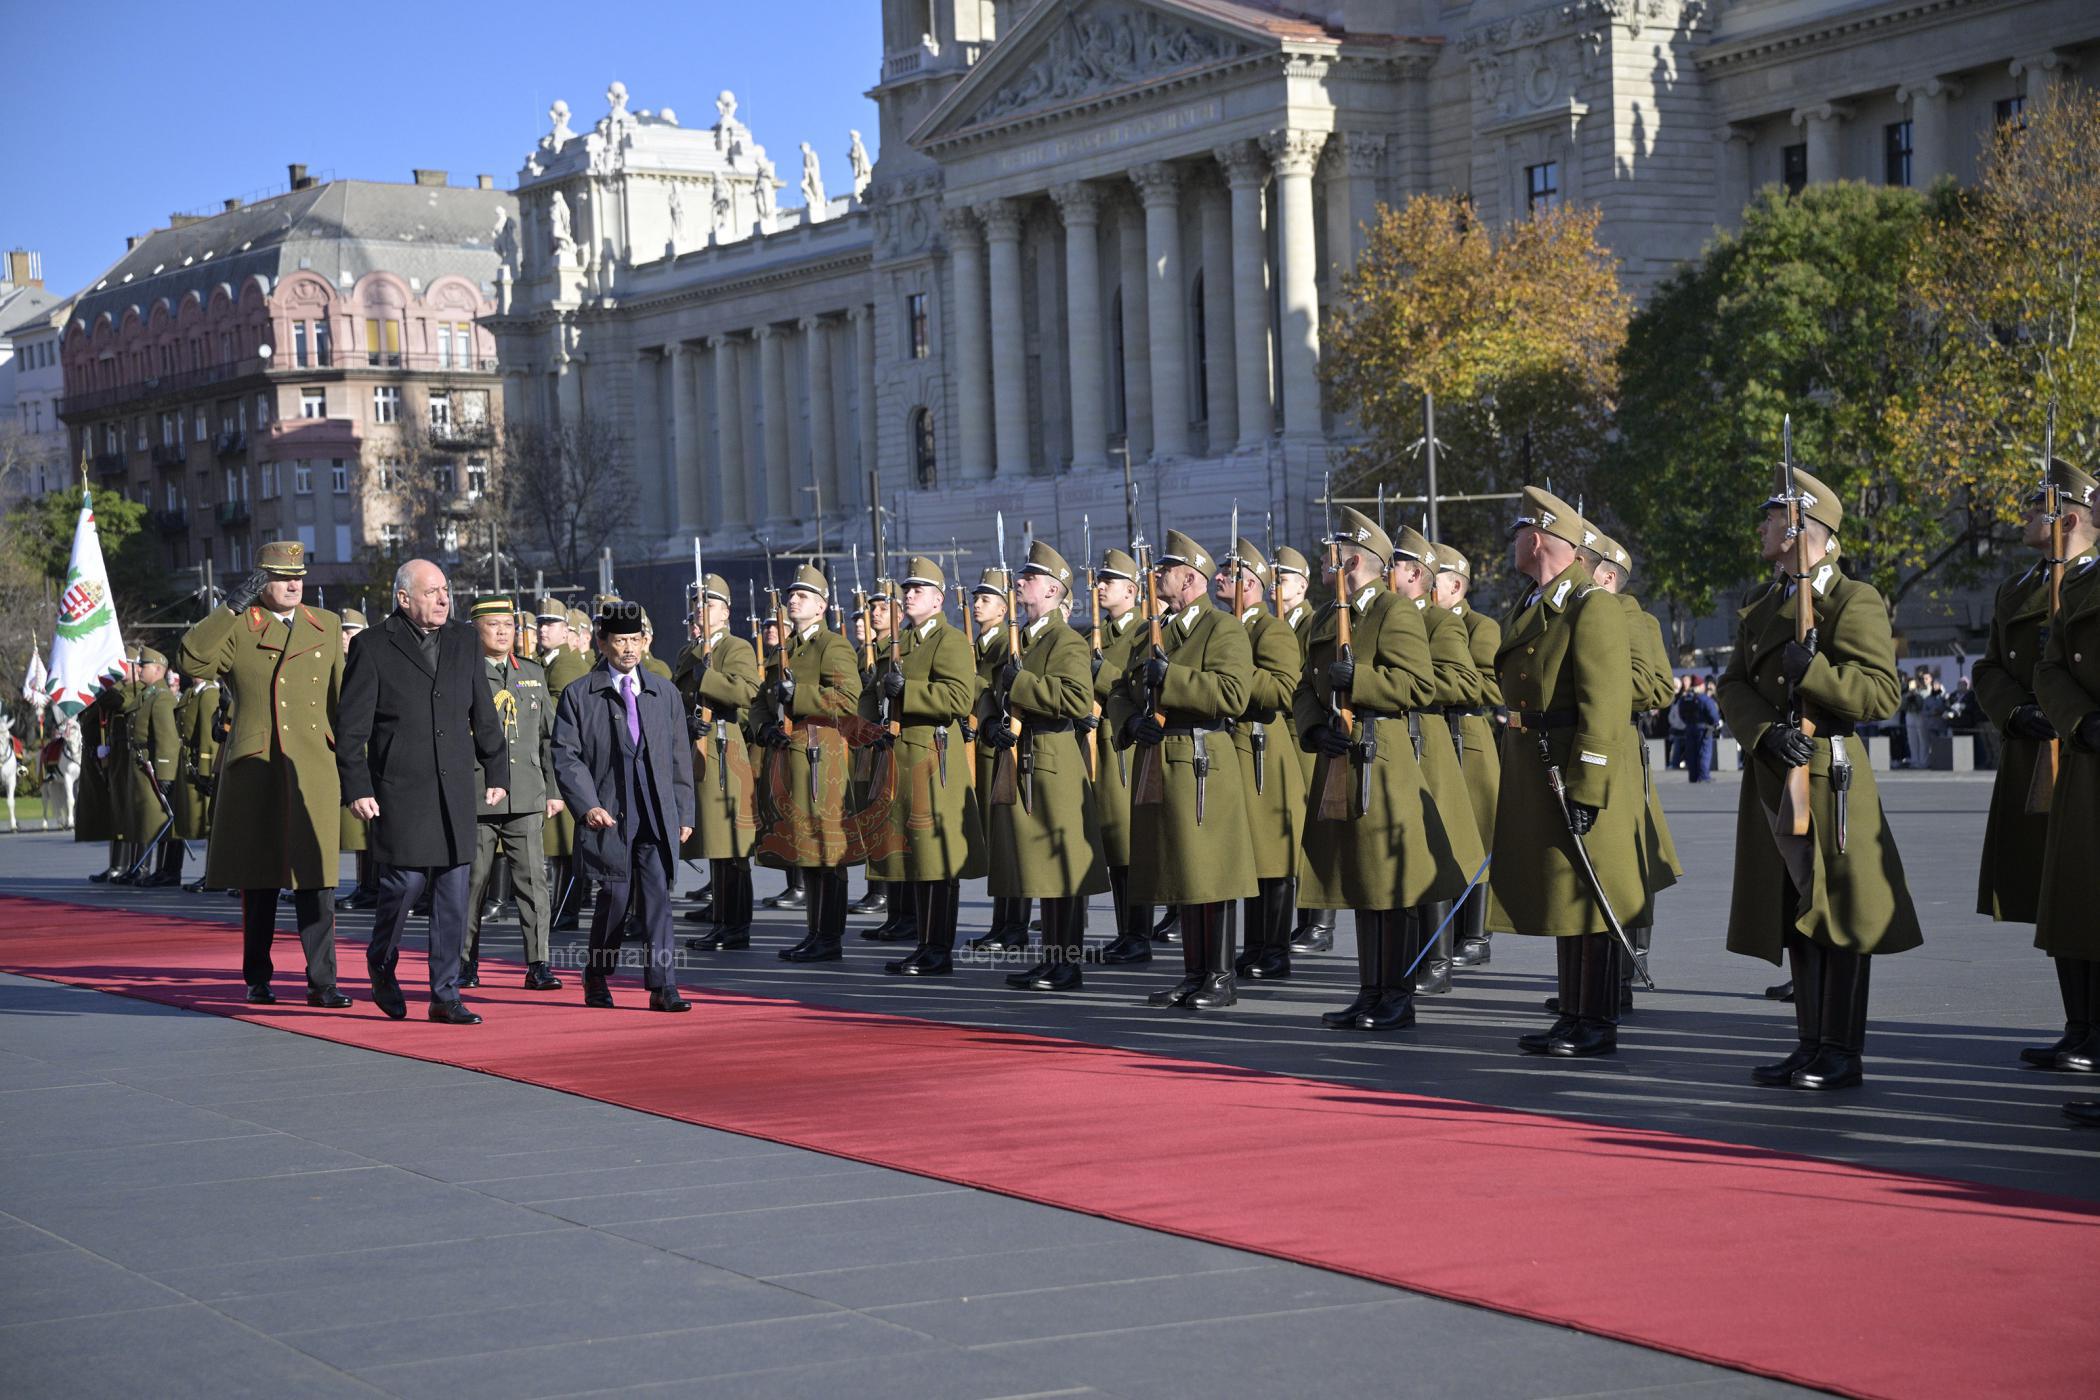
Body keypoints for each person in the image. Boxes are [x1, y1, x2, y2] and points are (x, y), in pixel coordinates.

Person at [1717, 467, 1924, 1089]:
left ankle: (1840, 1050)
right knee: (1796, 915)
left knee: (1838, 913)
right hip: (1776, 772)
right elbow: (1732, 685)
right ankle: (1809, 1044)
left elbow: (1881, 694)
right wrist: (1763, 732)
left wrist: (1815, 674)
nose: (1762, 527)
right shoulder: (1762, 600)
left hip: (1831, 776)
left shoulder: (1853, 599)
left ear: (1802, 527)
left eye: (1772, 517)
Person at [1295, 509, 1467, 1031]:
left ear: (1353, 562)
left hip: (1380, 753)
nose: (1325, 561)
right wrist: (1313, 729)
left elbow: (1418, 684)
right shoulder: (1326, 617)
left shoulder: (1394, 611)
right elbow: (1304, 687)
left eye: (1333, 554)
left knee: (1389, 884)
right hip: (1339, 753)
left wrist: (1360, 679)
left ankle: (1397, 994)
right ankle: (1369, 990)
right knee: (1360, 880)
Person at [1493, 488, 1643, 1058]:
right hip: (1540, 762)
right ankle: (1574, 1013)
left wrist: (1589, 783)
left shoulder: (1590, 605)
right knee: (1567, 894)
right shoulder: (1537, 601)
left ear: (1537, 539)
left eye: (1518, 533)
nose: (1512, 543)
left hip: (1574, 766)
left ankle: (1596, 1021)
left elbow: (1605, 705)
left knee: (1590, 893)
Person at [177, 540, 351, 1008]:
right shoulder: (239, 625)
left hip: (312, 763)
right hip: (257, 765)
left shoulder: (326, 624)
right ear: (259, 581)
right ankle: (257, 976)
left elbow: (341, 701)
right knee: (259, 880)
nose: (293, 585)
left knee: (317, 878)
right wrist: (229, 607)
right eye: (280, 577)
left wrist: (353, 767)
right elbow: (192, 659)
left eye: (298, 576)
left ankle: (323, 982)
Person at [337, 558, 510, 1025]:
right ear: (403, 598)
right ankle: (381, 960)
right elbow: (351, 729)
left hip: (454, 787)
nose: (443, 598)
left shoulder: (463, 640)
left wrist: (497, 770)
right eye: (431, 591)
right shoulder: (373, 645)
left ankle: (444, 995)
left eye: (445, 590)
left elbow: (483, 709)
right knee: (405, 885)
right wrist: (357, 787)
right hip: (401, 789)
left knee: (454, 892)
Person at [1985, 459, 2100, 1072]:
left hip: (2080, 749)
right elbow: (1989, 669)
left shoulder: (2086, 580)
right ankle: (2078, 1027)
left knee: (2084, 889)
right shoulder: (2017, 588)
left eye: (2038, 507)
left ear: (2071, 518)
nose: (2026, 516)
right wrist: (2016, 712)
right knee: (2058, 894)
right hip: (2036, 751)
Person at [1122, 530, 1259, 1009]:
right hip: (1160, 755)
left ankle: (1219, 977)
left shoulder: (1222, 628)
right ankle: (1193, 974)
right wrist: (1131, 721)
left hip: (1202, 759)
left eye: (1166, 570)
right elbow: (1121, 689)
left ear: (1190, 579)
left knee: (1211, 873)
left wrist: (1172, 678)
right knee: (1182, 872)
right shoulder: (1153, 629)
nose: (1157, 575)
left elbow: (1233, 695)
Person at [550, 600, 696, 1010]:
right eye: (620, 640)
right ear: (602, 643)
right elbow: (566, 756)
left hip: (655, 811)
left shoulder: (663, 692)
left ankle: (663, 986)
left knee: (657, 896)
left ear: (645, 641)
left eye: (635, 639)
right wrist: (587, 805)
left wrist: (684, 811)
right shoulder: (580, 694)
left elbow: (678, 756)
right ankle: (597, 975)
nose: (629, 648)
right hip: (609, 813)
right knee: (615, 896)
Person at [990, 541, 1108, 992]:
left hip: (1054, 758)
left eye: (1030, 577)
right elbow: (993, 694)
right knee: (1042, 866)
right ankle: (1049, 959)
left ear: (1054, 590)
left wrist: (1021, 683)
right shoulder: (1023, 637)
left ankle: (1066, 964)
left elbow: (1077, 699)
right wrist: (993, 721)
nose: (1020, 582)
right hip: (1024, 755)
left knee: (1062, 867)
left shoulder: (1065, 640)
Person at [875, 557, 990, 976]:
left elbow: (959, 698)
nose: (908, 595)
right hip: (903, 758)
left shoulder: (950, 640)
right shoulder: (900, 641)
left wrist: (909, 690)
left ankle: (938, 949)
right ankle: (923, 943)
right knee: (916, 857)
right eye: (907, 589)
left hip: (935, 759)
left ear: (938, 600)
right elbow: (875, 692)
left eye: (917, 590)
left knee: (936, 859)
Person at [753, 565, 863, 963]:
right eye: (791, 595)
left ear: (822, 606)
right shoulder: (785, 648)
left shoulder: (832, 645)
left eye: (802, 595)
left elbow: (848, 698)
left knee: (826, 849)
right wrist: (763, 727)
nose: (793, 600)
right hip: (791, 759)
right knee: (807, 849)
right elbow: (760, 699)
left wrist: (799, 694)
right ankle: (814, 931)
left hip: (821, 761)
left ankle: (829, 937)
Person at [1214, 538, 1308, 983]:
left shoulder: (1272, 630)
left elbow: (1282, 691)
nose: (1218, 577)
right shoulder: (1222, 627)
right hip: (1233, 744)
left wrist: (1236, 668)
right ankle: (1252, 947)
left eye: (1228, 573)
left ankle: (1274, 949)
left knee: (1272, 856)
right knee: (1248, 854)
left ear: (1250, 583)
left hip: (1262, 748)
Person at [461, 596, 565, 993]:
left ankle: (538, 963)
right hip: (477, 793)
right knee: (472, 883)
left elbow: (549, 737)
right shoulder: (462, 673)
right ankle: (464, 962)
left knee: (533, 882)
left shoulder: (532, 673)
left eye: (508, 624)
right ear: (475, 630)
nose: (503, 632)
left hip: (525, 793)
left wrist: (553, 790)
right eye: (493, 625)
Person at [2032, 517, 2100, 1121]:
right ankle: (2084, 1030)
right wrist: (2080, 718)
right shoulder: (2081, 582)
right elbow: (2050, 666)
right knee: (2076, 900)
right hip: (2086, 758)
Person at [677, 574, 762, 952]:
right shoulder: (690, 652)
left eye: (709, 604)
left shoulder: (736, 647)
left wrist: (710, 679)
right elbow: (678, 697)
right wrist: (685, 720)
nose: (701, 609)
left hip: (726, 752)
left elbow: (748, 692)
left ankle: (736, 926)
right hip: (698, 751)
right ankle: (720, 922)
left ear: (726, 612)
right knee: (714, 843)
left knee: (732, 847)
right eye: (698, 604)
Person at [1431, 543, 1501, 967]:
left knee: (1475, 835)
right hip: (1435, 735)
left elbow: (1492, 685)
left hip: (1467, 737)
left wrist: (1430, 681)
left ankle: (1476, 934)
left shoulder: (1480, 626)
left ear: (1456, 586)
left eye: (1434, 579)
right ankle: (1445, 931)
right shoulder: (1420, 622)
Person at [1087, 547, 1151, 965]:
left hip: (1127, 741)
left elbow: (1139, 686)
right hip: (1100, 743)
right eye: (1099, 581)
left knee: (1131, 842)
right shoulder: (1096, 635)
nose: (1100, 587)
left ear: (1131, 590)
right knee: (1114, 844)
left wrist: (1101, 673)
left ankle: (1138, 934)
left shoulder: (1143, 632)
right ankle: (1125, 930)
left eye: (1109, 581)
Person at [963, 567, 1031, 950]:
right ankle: (1001, 923)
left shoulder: (1008, 645)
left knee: (1010, 841)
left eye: (986, 599)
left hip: (1002, 748)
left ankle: (1015, 924)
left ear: (1004, 609)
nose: (977, 605)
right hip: (981, 746)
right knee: (996, 841)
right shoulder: (976, 646)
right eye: (976, 599)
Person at [1279, 543, 1337, 956]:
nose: (1274, 586)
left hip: (1304, 734)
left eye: (1282, 579)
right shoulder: (1277, 623)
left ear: (1302, 585)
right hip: (1295, 730)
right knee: (1293, 829)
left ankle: (1320, 921)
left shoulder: (1313, 621)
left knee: (1315, 826)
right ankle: (1305, 919)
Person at [540, 603, 594, 928]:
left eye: (551, 624)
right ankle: (560, 908)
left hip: (564, 759)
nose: (543, 629)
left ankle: (567, 909)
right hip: (550, 758)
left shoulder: (567, 664)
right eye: (541, 623)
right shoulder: (547, 662)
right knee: (558, 845)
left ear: (567, 631)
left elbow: (556, 718)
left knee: (565, 843)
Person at [118, 649, 181, 885]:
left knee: (156, 819)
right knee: (143, 817)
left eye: (143, 666)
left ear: (157, 669)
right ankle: (139, 867)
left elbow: (167, 739)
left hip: (152, 766)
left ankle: (159, 870)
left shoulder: (162, 697)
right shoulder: (147, 694)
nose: (139, 669)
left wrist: (165, 773)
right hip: (141, 764)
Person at [330, 610, 379, 911]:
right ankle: (364, 884)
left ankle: (371, 886)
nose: (345, 637)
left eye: (351, 631)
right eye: (343, 632)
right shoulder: (337, 665)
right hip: (346, 750)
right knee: (355, 830)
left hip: (366, 752)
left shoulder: (369, 661)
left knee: (367, 829)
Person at [173, 656, 220, 892]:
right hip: (189, 762)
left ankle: (213, 874)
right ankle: (209, 874)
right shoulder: (193, 693)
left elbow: (208, 735)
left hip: (201, 764)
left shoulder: (209, 693)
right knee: (202, 822)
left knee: (210, 822)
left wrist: (206, 768)